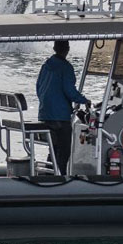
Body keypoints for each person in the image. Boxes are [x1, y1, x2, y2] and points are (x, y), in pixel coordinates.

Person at [36, 40, 91, 174]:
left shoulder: (45, 66)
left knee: (53, 148)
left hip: (45, 113)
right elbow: (69, 90)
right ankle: (60, 177)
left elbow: (38, 88)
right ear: (67, 49)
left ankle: (49, 174)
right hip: (60, 116)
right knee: (64, 149)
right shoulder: (66, 67)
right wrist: (84, 100)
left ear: (54, 48)